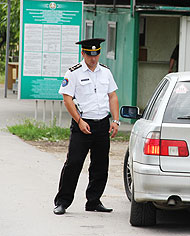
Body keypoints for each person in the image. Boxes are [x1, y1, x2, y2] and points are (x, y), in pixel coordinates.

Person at [53, 38, 120, 215]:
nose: (93, 58)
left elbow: (112, 96)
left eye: (96, 54)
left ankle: (94, 201)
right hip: (82, 124)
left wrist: (115, 120)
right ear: (83, 54)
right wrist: (79, 121)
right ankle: (62, 202)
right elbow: (67, 98)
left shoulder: (105, 72)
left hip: (102, 125)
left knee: (100, 165)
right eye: (90, 55)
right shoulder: (73, 73)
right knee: (74, 163)